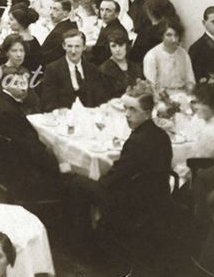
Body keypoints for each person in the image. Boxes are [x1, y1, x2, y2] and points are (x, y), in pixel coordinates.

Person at [69, 83, 173, 236]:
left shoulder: (137, 141)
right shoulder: (162, 135)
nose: (127, 114)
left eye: (133, 110)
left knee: (77, 182)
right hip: (158, 196)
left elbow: (115, 177)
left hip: (132, 202)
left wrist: (99, 182)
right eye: (126, 108)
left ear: (148, 113)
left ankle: (84, 240)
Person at [0, 66, 63, 198]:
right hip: (18, 174)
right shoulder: (9, 111)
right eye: (16, 84)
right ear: (5, 84)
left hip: (0, 165)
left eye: (24, 83)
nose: (23, 88)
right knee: (71, 178)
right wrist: (59, 164)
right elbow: (30, 149)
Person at [40, 29, 106, 111]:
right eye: (69, 46)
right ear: (64, 46)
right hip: (64, 117)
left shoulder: (92, 69)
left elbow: (100, 97)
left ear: (84, 47)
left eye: (77, 46)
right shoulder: (53, 69)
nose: (73, 51)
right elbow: (48, 101)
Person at [143, 17, 196, 90]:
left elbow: (190, 80)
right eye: (169, 35)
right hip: (162, 96)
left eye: (176, 35)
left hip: (183, 96)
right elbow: (151, 85)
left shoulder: (184, 54)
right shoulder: (152, 56)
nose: (174, 40)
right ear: (162, 36)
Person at [98, 29, 144, 98]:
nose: (118, 49)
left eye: (121, 45)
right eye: (113, 46)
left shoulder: (136, 67)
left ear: (127, 45)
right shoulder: (104, 70)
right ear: (109, 48)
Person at [86, 0, 128, 66]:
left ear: (117, 14)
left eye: (108, 10)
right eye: (102, 10)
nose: (104, 14)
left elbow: (104, 56)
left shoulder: (116, 32)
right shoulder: (110, 26)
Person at [38, 0, 77, 66]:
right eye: (51, 8)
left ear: (65, 13)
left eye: (56, 9)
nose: (51, 13)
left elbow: (43, 57)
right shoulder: (71, 25)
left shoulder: (58, 33)